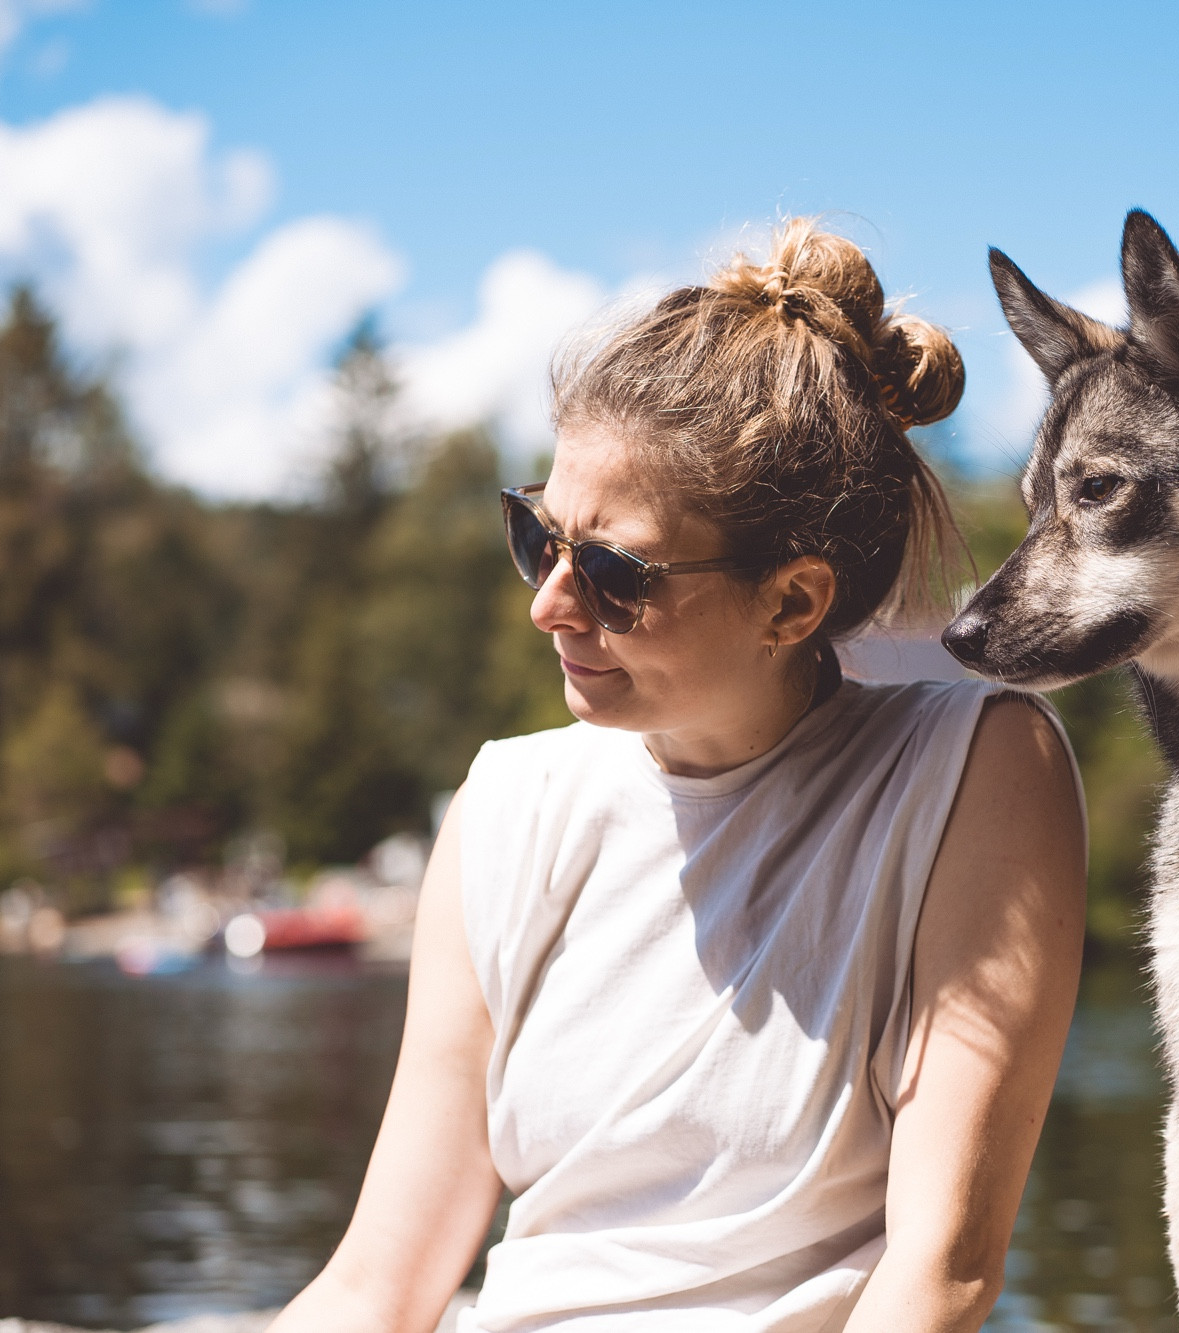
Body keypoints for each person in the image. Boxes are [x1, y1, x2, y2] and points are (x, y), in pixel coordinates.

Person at [269, 219, 1088, 1333]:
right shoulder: (508, 807)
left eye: (610, 571)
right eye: (536, 537)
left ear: (792, 603)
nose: (547, 605)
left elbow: (940, 1273)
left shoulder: (974, 769)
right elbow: (380, 1281)